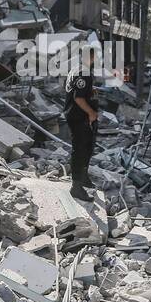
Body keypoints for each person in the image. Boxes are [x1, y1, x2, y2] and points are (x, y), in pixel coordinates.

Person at [65, 55, 100, 202]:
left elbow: (78, 92)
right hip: (80, 117)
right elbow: (78, 97)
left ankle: (83, 178)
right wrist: (91, 112)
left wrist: (90, 93)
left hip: (79, 116)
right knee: (80, 150)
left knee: (87, 148)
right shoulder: (84, 72)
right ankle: (76, 187)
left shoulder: (76, 69)